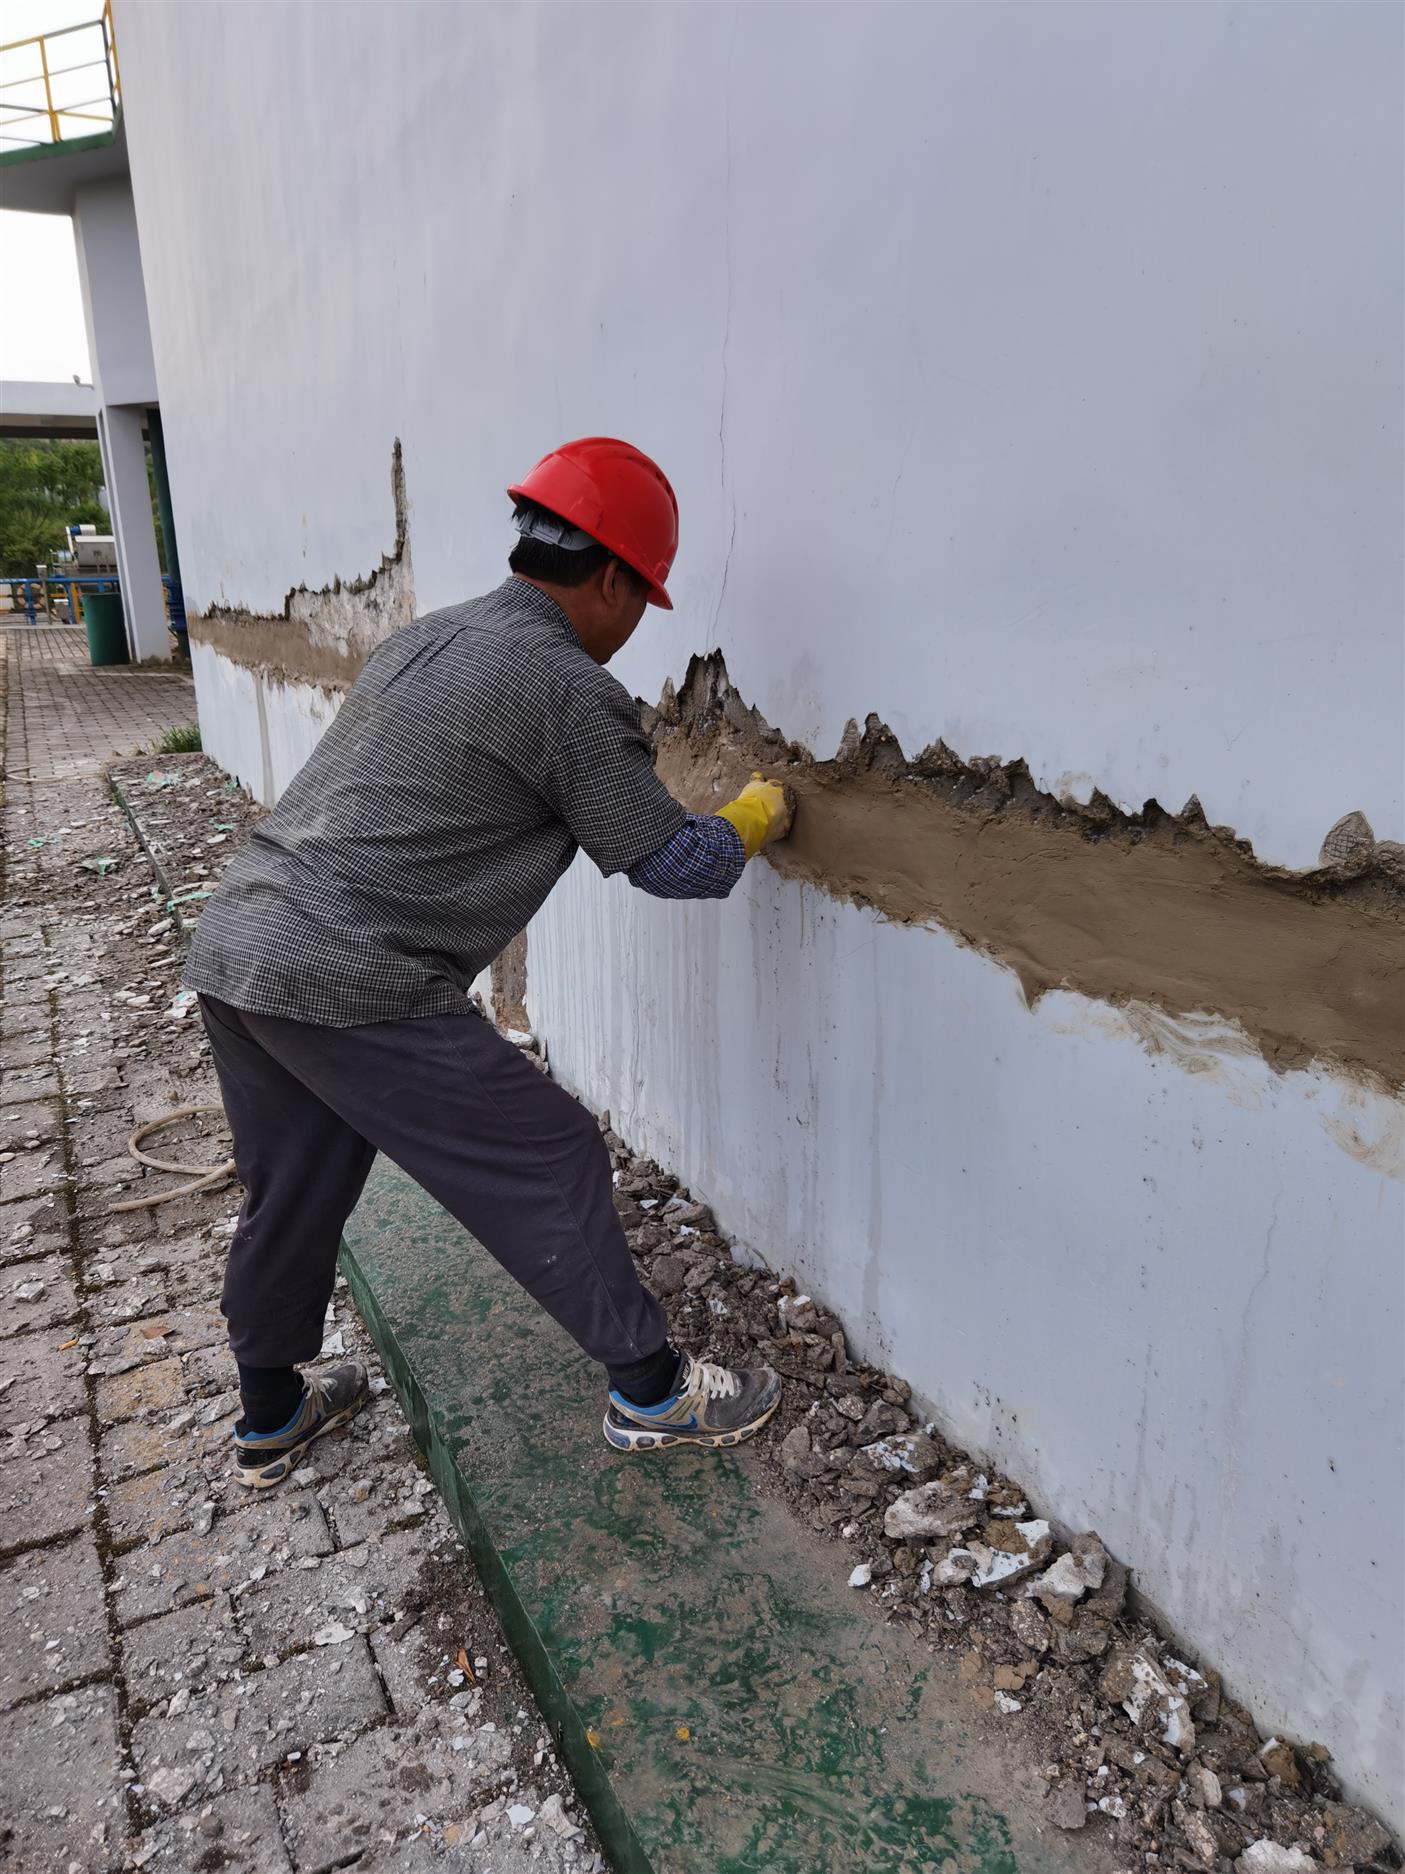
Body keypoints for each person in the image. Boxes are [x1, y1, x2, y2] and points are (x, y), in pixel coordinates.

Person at [183, 437, 794, 1488]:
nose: (636, 624)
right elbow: (677, 865)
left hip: (241, 943)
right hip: (354, 973)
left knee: (295, 1177)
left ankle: (272, 1408)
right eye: (642, 599)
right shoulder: (564, 686)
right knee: (549, 1150)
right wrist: (754, 812)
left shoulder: (432, 638)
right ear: (610, 580)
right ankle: (653, 1392)